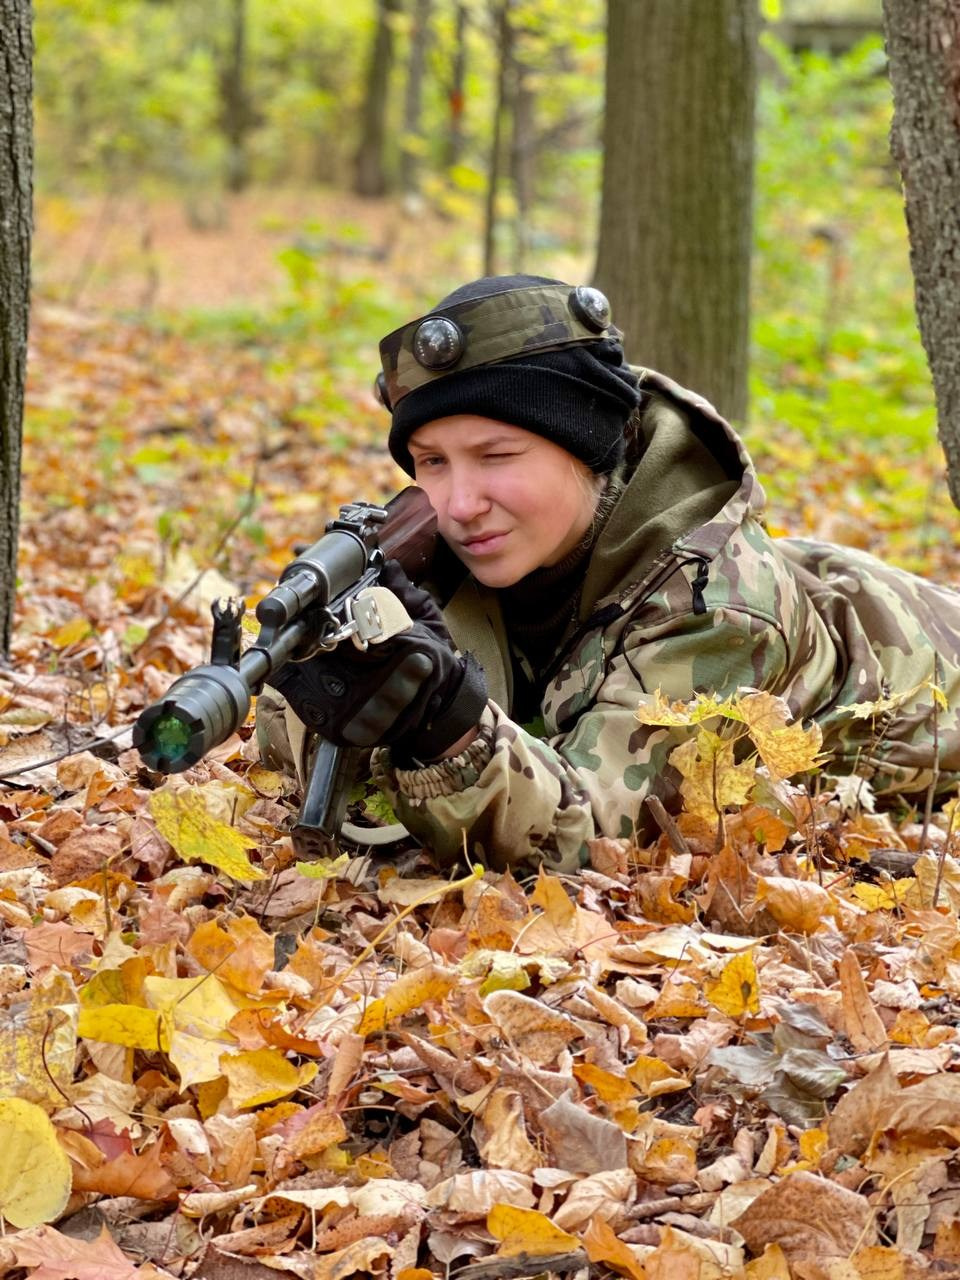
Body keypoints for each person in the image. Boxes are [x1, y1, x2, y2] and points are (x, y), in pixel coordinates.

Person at [257, 274, 960, 875]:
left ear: (588, 448)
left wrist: (443, 724)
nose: (459, 504)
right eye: (432, 461)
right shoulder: (457, 546)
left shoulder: (718, 605)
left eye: (496, 456)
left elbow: (593, 839)